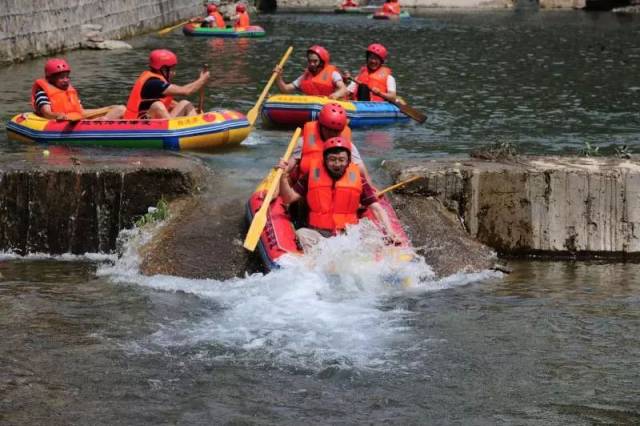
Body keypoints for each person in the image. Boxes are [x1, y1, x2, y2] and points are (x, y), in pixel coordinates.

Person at [277, 136, 401, 251]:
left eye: (342, 160)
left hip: (350, 233)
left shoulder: (358, 179)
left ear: (348, 161)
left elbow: (377, 209)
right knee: (302, 234)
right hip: (320, 234)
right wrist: (283, 177)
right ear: (324, 160)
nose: (337, 164)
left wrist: (390, 231)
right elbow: (289, 198)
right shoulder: (311, 176)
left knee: (371, 232)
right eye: (332, 160)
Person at [287, 102, 369, 182]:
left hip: (336, 185)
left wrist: (372, 188)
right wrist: (284, 170)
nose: (332, 134)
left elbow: (361, 168)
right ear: (321, 126)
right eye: (329, 129)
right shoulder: (305, 140)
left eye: (336, 131)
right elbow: (292, 162)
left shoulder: (348, 144)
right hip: (309, 182)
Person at [123, 49, 210, 119]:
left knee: (185, 104)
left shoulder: (155, 80)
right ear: (163, 69)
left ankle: (195, 126)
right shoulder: (154, 83)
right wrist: (202, 79)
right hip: (140, 124)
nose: (174, 73)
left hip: (151, 120)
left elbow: (169, 103)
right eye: (172, 69)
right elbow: (186, 91)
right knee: (158, 105)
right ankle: (178, 132)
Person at [31, 58, 125, 121]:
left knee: (120, 108)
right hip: (62, 121)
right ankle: (101, 123)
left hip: (77, 117)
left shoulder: (69, 91)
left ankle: (103, 121)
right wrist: (59, 116)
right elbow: (47, 113)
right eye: (62, 78)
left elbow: (80, 111)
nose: (66, 80)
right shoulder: (42, 93)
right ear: (51, 79)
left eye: (67, 77)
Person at [275, 45, 348, 100]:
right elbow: (285, 89)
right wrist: (278, 76)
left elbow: (343, 89)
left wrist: (335, 95)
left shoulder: (333, 74)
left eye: (315, 61)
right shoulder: (305, 76)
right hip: (311, 107)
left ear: (322, 62)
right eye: (310, 61)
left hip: (330, 107)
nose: (312, 64)